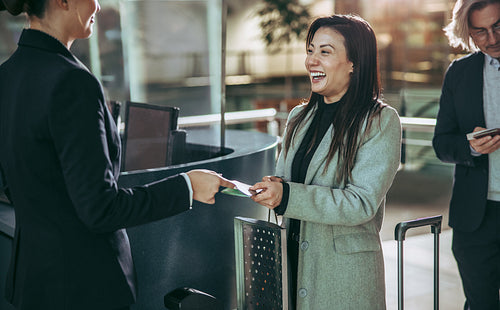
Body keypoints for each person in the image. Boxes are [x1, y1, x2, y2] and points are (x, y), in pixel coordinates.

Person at [0, 0, 234, 309]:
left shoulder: (8, 75)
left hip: (34, 283)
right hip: (83, 288)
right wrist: (187, 186)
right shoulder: (73, 83)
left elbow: (11, 184)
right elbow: (101, 210)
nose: (97, 6)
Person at [250, 15, 402, 309]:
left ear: (354, 63)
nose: (311, 61)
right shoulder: (298, 117)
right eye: (310, 50)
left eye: (325, 51)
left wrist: (289, 196)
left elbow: (361, 203)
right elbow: (287, 187)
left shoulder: (380, 122)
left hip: (343, 277)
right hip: (293, 266)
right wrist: (276, 189)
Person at [432, 0, 500, 309]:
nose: (493, 39)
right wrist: (470, 147)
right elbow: (442, 143)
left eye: (498, 26)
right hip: (476, 218)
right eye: (481, 31)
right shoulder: (459, 73)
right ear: (468, 33)